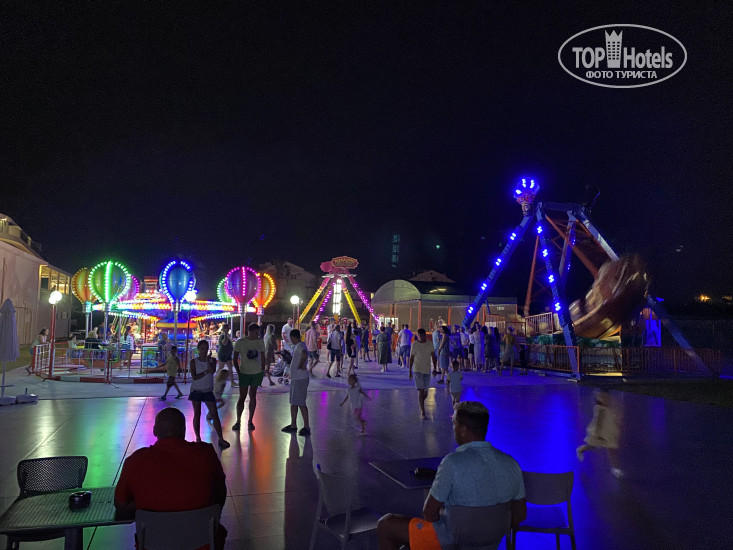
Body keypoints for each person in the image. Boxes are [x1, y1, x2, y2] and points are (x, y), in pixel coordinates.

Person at [377, 401, 526, 550]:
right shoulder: (511, 464)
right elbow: (519, 514)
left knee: (386, 524)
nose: (453, 429)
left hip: (452, 541)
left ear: (463, 429)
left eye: (454, 424)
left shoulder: (452, 463)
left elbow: (429, 513)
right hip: (491, 541)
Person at [114, 407, 228, 550]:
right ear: (183, 430)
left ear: (155, 431)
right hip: (204, 544)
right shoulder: (206, 454)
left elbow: (121, 506)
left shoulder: (136, 460)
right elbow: (220, 495)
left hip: (152, 545)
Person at [188, 340, 229, 449]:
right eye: (202, 349)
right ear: (198, 349)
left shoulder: (212, 360)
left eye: (206, 349)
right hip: (196, 390)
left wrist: (207, 361)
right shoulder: (193, 362)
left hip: (208, 390)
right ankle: (198, 438)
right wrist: (205, 371)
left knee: (214, 413)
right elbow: (195, 377)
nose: (204, 351)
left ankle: (220, 438)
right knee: (197, 413)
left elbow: (212, 371)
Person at [577, 388, 623, 478]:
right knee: (595, 446)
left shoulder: (608, 408)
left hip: (608, 431)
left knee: (611, 450)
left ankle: (615, 469)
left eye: (607, 397)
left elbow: (613, 418)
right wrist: (598, 434)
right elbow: (598, 422)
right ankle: (581, 449)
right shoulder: (600, 409)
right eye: (603, 398)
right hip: (601, 432)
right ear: (599, 398)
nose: (606, 399)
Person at [232, 323, 266, 431]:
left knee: (253, 395)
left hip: (256, 372)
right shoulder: (241, 342)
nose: (257, 335)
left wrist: (262, 369)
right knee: (242, 396)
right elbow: (235, 358)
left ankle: (250, 420)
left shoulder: (260, 342)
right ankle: (238, 420)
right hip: (244, 372)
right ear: (250, 331)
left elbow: (263, 356)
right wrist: (238, 371)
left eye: (258, 333)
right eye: (255, 332)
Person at [280, 329, 311, 436]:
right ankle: (293, 424)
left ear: (293, 337)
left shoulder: (300, 346)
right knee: (294, 402)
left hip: (300, 379)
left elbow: (304, 354)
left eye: (290, 338)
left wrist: (301, 365)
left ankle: (306, 426)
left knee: (301, 403)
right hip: (296, 378)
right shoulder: (298, 346)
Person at [409, 328, 437, 419]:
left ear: (425, 335)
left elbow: (433, 356)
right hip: (417, 370)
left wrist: (435, 368)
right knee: (421, 391)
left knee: (426, 392)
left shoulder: (429, 344)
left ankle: (420, 402)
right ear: (417, 336)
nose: (421, 337)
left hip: (427, 370)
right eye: (419, 335)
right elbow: (411, 358)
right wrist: (410, 371)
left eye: (422, 335)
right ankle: (422, 412)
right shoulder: (414, 344)